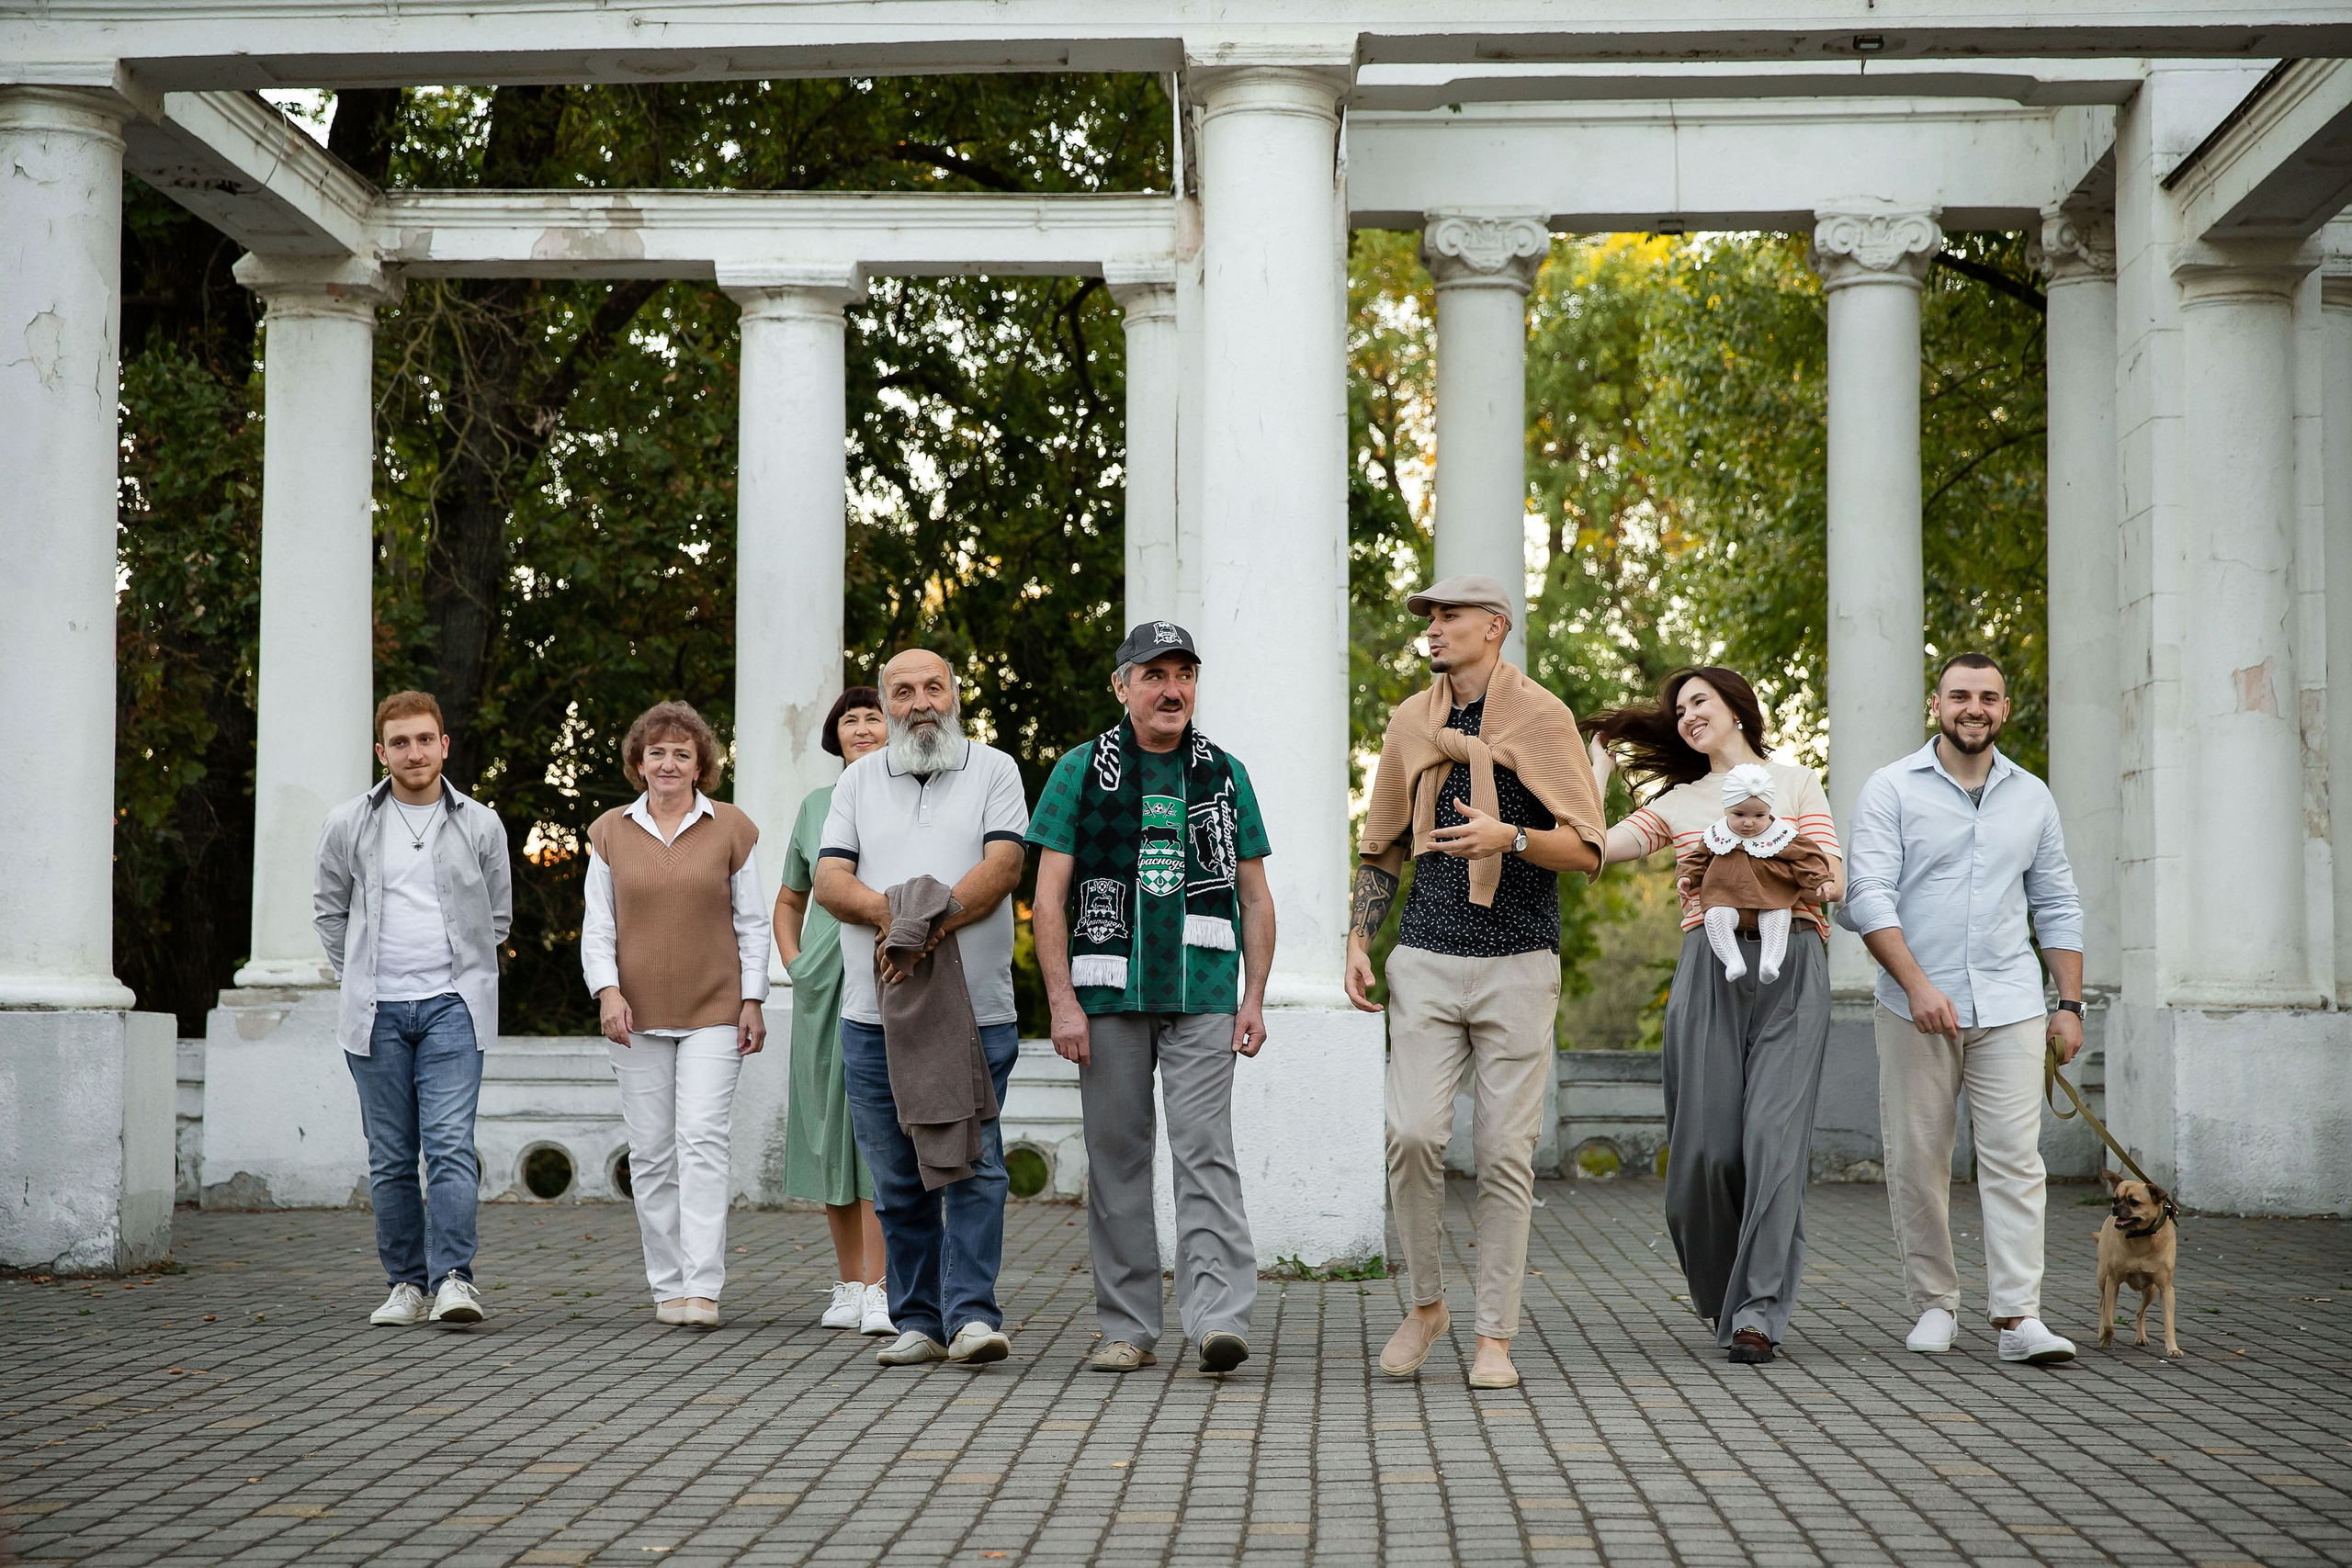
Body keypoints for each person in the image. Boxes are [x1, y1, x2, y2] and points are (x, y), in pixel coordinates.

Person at [1348, 575, 1606, 1392]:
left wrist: (1511, 836)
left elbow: (1589, 845)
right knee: (1414, 1135)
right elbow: (1382, 842)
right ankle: (1427, 1305)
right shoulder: (1410, 720)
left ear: (1494, 627)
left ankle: (1495, 1333)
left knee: (1502, 1150)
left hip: (1520, 961)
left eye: (1449, 614)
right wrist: (1359, 937)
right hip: (1424, 956)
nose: (1433, 626)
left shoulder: (1543, 716)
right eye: (1427, 615)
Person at [1028, 622, 1277, 1375]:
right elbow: (1047, 900)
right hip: (1107, 994)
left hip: (1202, 989)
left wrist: (1255, 996)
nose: (1173, 689)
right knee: (1117, 1161)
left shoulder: (1225, 773)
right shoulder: (1077, 770)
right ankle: (1129, 1327)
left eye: (1185, 674)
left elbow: (1256, 898)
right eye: (1155, 674)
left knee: (1206, 1153)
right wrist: (1062, 1002)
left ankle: (1218, 1320)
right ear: (1123, 686)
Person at [1588, 666, 1841, 1365]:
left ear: (1737, 707)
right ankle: (1726, 1288)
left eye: (1700, 700)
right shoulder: (1678, 802)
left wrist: (1817, 876)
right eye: (1678, 709)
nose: (1686, 714)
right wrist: (1598, 767)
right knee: (1705, 1155)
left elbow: (1832, 869)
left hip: (1792, 965)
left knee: (1771, 1142)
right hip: (1710, 966)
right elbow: (1592, 848)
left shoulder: (1795, 782)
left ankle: (1756, 1311)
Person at [1838, 652, 2086, 1366]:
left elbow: (2058, 902)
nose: (1973, 707)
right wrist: (1917, 983)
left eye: (1987, 697)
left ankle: (2018, 1317)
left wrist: (2067, 1004)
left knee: (2014, 1157)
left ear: (2005, 709)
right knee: (1919, 1157)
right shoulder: (1891, 788)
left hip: (2011, 1001)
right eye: (1959, 696)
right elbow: (1868, 896)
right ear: (1937, 705)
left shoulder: (2033, 796)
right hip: (1914, 1003)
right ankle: (1934, 1303)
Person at [814, 649, 1030, 1368]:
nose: (919, 702)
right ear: (886, 702)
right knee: (896, 1173)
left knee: (972, 1163)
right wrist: (896, 918)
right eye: (901, 691)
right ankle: (918, 1319)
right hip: (872, 1015)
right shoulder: (857, 780)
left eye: (932, 686)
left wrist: (924, 927)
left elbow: (1003, 868)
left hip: (978, 1009)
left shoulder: (995, 769)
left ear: (955, 694)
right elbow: (828, 881)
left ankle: (971, 1315)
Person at [313, 691, 512, 1330]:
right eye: (400, 742)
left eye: (425, 739)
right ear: (382, 751)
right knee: (392, 1155)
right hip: (376, 1012)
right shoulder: (350, 822)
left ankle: (455, 1279)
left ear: (444, 745)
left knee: (451, 1145)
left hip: (454, 1007)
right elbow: (329, 910)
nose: (414, 751)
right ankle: (405, 1283)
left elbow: (497, 917)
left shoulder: (480, 824)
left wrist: (465, 978)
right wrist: (361, 978)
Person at [582, 700, 771, 1331]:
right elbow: (598, 926)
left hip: (716, 1009)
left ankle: (704, 1286)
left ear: (701, 765)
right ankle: (667, 1285)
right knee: (653, 1152)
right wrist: (608, 991)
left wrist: (753, 999)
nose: (668, 763)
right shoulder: (609, 830)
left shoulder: (733, 827)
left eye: (681, 753)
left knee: (700, 1139)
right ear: (639, 762)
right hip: (633, 1015)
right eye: (656, 752)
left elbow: (751, 922)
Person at [775, 687, 894, 1337]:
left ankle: (882, 1286)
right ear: (835, 736)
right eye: (850, 719)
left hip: (885, 977)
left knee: (875, 1130)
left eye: (874, 715)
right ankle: (850, 1283)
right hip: (822, 984)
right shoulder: (815, 806)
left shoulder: (908, 796)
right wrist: (797, 963)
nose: (863, 726)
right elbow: (789, 899)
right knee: (826, 1129)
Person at [1676, 764, 1837, 986]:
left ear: (1769, 810)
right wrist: (1686, 877)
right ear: (1726, 810)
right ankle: (1732, 960)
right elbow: (1697, 859)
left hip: (1771, 897)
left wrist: (1822, 880)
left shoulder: (1782, 835)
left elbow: (1808, 858)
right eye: (1739, 814)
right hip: (1724, 897)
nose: (1749, 822)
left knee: (1778, 917)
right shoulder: (1715, 835)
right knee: (1714, 917)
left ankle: (1770, 962)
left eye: (1759, 815)